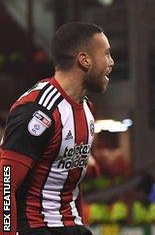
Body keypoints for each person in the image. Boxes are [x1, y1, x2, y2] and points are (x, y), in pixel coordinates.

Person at [0, 22, 114, 235]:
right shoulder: (37, 111)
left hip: (71, 226)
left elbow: (71, 184)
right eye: (106, 54)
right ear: (84, 60)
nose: (111, 62)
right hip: (35, 228)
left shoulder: (87, 108)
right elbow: (4, 183)